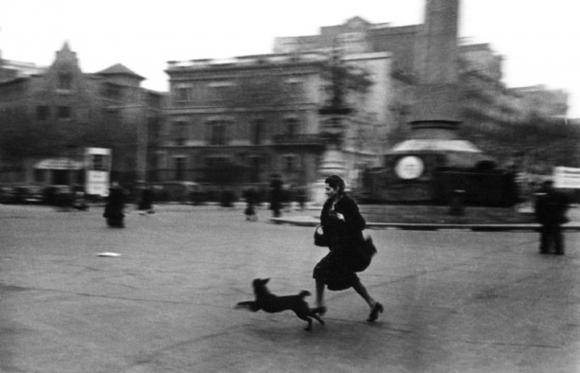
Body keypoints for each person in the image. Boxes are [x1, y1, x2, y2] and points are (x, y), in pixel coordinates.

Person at [313, 175, 383, 322]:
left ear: (337, 188)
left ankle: (319, 305)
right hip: (338, 248)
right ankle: (372, 304)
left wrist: (342, 219)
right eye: (325, 188)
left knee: (320, 270)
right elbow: (326, 224)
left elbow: (360, 224)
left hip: (350, 248)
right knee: (349, 278)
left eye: (328, 188)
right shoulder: (329, 203)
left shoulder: (348, 203)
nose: (326, 191)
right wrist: (322, 233)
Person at [534, 180, 569, 255]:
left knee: (547, 234)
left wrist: (538, 216)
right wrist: (561, 213)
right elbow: (565, 204)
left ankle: (545, 249)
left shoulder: (542, 193)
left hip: (547, 217)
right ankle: (558, 249)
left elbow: (538, 206)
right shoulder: (559, 193)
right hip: (555, 217)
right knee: (556, 234)